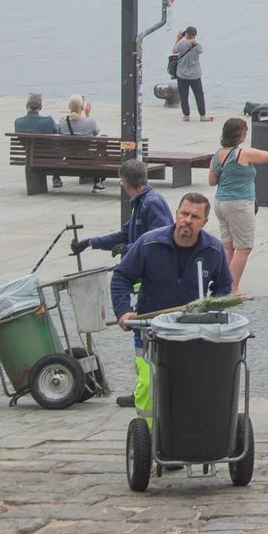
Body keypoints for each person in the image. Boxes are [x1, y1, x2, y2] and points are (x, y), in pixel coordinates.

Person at [108, 192, 235, 415]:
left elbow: (224, 286)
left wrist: (210, 308)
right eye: (184, 213)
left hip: (191, 329)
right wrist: (124, 311)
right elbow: (121, 276)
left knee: (188, 385)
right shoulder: (150, 242)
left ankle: (183, 430)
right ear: (176, 214)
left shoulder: (213, 250)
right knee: (149, 384)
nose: (187, 220)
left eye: (195, 217)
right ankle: (149, 433)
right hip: (149, 328)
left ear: (204, 222)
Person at [78, 158, 176, 404]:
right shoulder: (141, 202)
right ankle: (145, 389)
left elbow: (161, 237)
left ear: (126, 183)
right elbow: (124, 233)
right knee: (141, 338)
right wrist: (91, 242)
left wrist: (129, 247)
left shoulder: (152, 204)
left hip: (150, 279)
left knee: (143, 336)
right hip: (142, 278)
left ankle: (145, 392)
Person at [210, 115, 268, 295]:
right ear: (239, 135)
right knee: (244, 247)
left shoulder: (218, 154)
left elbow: (212, 181)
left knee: (228, 247)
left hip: (220, 203)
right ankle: (232, 288)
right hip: (239, 203)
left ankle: (221, 286)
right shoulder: (242, 153)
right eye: (245, 132)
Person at [169, 27, 210, 122]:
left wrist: (178, 38)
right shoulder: (198, 45)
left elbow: (174, 51)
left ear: (185, 34)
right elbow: (201, 50)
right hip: (195, 75)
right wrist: (193, 41)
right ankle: (202, 115)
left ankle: (186, 115)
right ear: (195, 35)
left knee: (184, 95)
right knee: (199, 95)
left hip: (182, 74)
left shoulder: (181, 43)